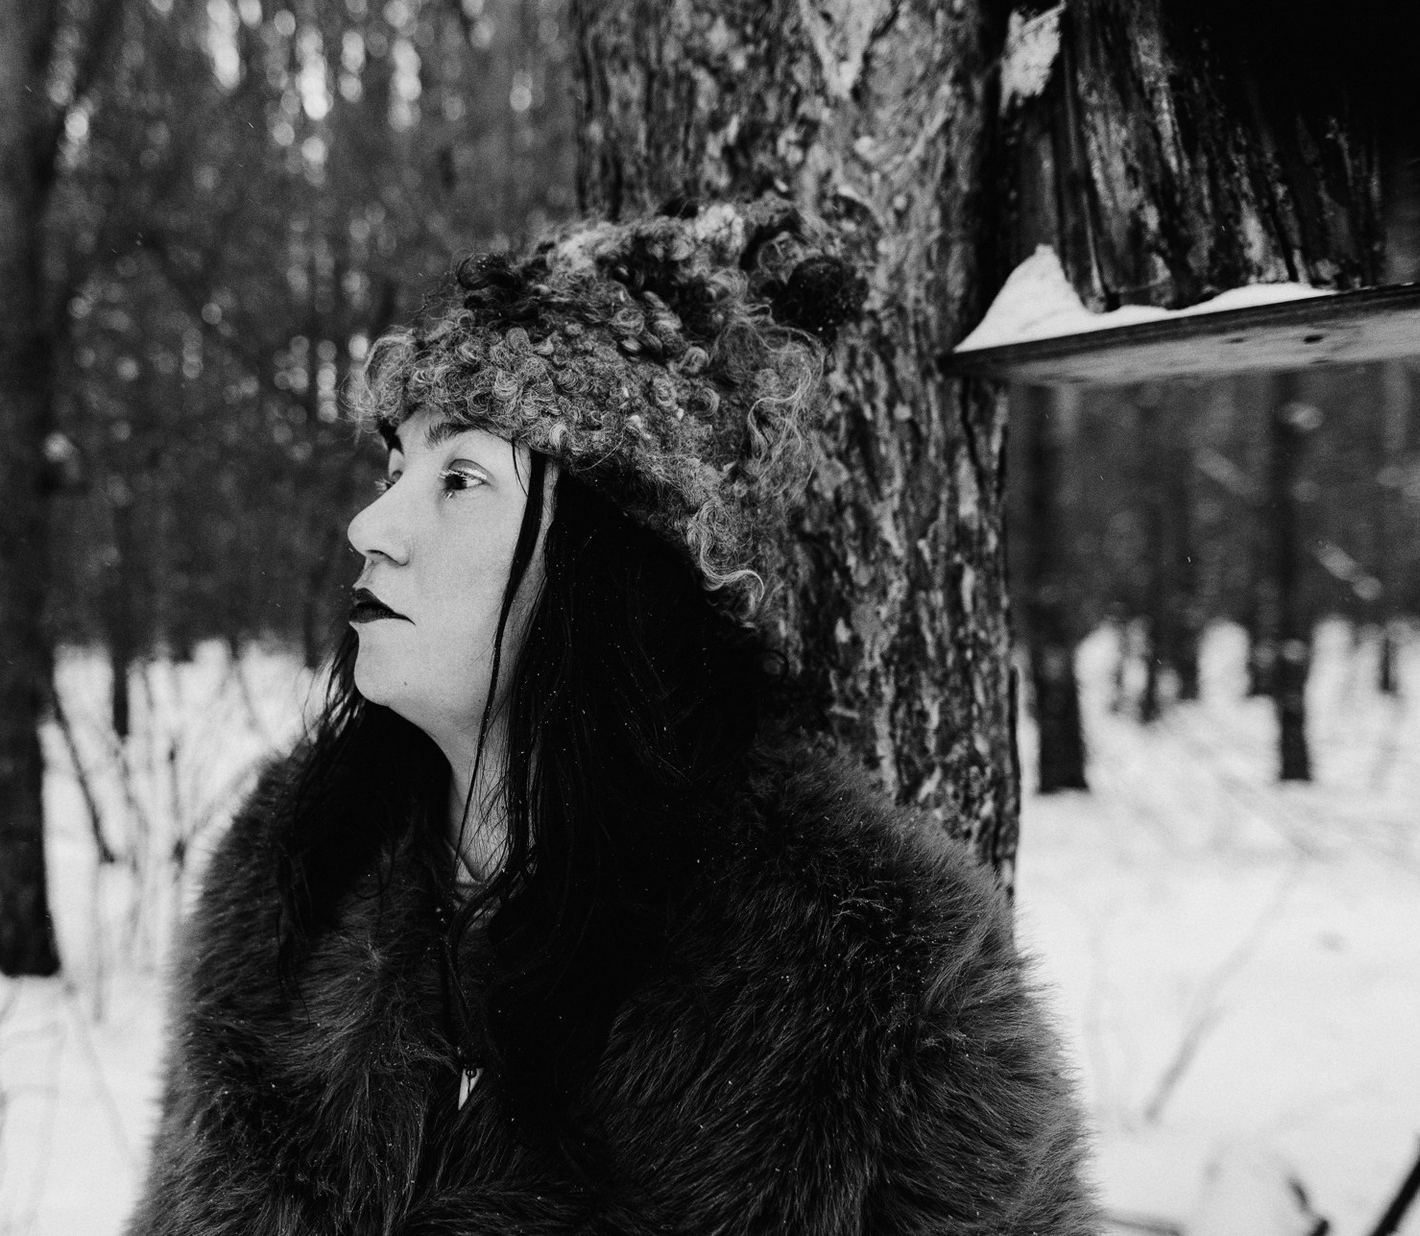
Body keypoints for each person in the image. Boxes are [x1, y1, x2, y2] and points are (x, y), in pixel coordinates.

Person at [127, 200, 1097, 1235]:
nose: (372, 523)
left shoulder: (879, 981)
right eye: (395, 467)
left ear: (613, 564)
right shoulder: (288, 882)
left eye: (461, 478)